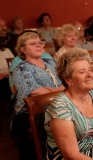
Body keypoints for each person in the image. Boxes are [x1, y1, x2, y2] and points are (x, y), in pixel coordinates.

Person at [45, 48, 93, 160]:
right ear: (69, 80)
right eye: (82, 72)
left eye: (89, 70)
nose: (89, 75)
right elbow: (71, 155)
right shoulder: (60, 107)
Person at [11, 31, 64, 160]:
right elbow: (35, 91)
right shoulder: (21, 68)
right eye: (33, 43)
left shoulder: (51, 62)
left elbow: (66, 82)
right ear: (23, 49)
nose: (39, 45)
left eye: (40, 42)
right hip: (30, 114)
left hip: (57, 107)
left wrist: (51, 90)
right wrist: (59, 90)